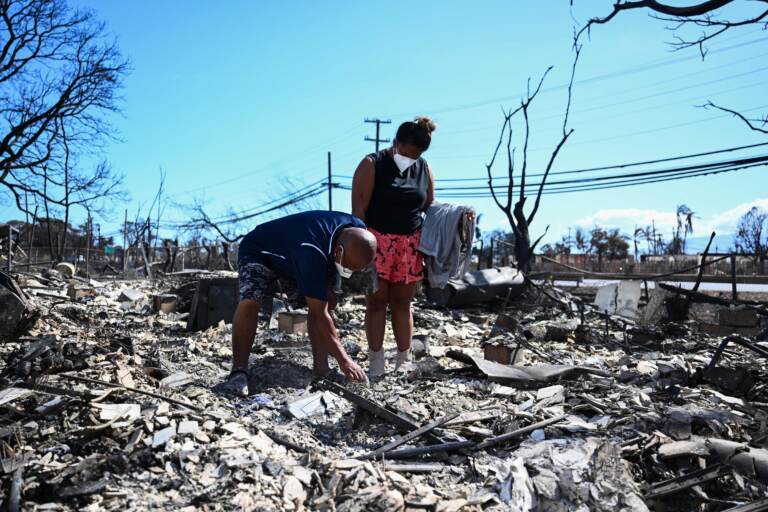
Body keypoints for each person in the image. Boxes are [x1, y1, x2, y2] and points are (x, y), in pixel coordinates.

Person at [220, 210, 377, 396]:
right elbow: (319, 314)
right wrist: (345, 361)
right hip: (259, 251)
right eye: (349, 267)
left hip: (294, 253)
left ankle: (322, 369)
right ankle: (239, 372)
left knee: (328, 299)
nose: (349, 272)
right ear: (339, 251)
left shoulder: (357, 229)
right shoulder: (311, 252)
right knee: (251, 300)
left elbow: (322, 306)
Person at [351, 117, 436, 378]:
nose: (411, 159)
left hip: (409, 244)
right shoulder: (371, 164)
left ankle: (403, 359)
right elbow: (358, 209)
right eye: (407, 153)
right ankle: (376, 361)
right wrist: (359, 248)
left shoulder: (424, 168)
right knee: (376, 302)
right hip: (376, 241)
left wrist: (458, 216)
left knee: (403, 303)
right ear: (396, 143)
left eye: (417, 155)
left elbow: (430, 207)